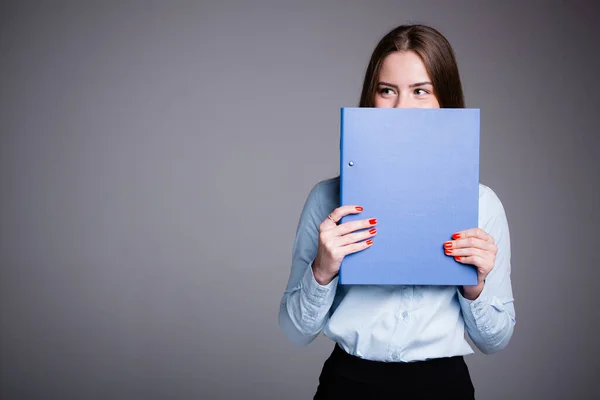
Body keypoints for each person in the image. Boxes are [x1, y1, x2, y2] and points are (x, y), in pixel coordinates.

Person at [278, 24, 516, 399]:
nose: (402, 107)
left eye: (421, 91)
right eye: (387, 90)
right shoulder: (327, 199)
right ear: (370, 99)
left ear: (445, 102)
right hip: (349, 385)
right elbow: (295, 331)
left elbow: (496, 340)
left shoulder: (482, 203)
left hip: (443, 387)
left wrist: (474, 286)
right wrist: (322, 271)